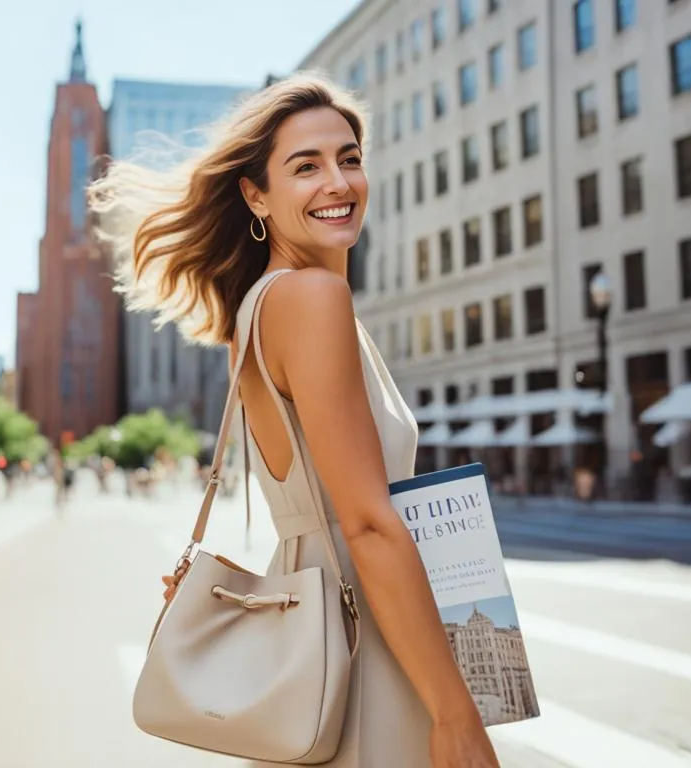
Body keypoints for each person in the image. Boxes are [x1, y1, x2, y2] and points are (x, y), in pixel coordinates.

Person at [90, 74, 499, 767]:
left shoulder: (260, 308)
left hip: (323, 631)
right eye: (305, 167)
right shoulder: (311, 301)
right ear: (256, 194)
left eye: (349, 158)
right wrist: (457, 714)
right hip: (366, 635)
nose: (338, 182)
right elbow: (367, 525)